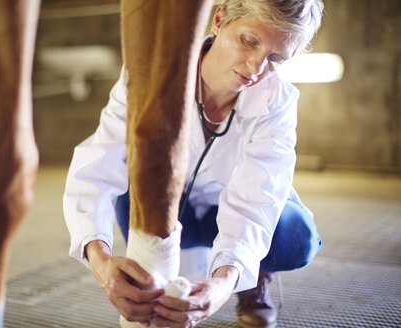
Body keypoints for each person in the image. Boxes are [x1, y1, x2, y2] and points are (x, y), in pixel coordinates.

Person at [63, 0, 324, 327]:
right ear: (218, 19)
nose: (256, 67)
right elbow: (98, 163)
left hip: (224, 207)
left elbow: (259, 197)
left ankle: (252, 280)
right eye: (249, 41)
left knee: (297, 237)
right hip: (167, 205)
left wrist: (224, 283)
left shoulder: (278, 101)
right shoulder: (149, 74)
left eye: (275, 58)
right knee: (133, 186)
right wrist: (99, 258)